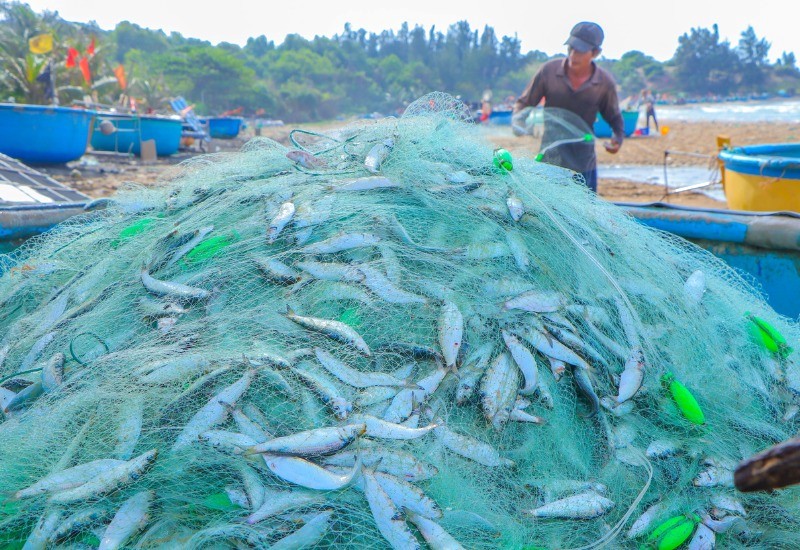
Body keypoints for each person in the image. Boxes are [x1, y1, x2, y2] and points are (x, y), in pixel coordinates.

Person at [513, 21, 624, 192]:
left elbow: (615, 118)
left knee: (585, 213)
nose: (573, 55)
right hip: (549, 161)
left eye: (580, 50)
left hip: (583, 164)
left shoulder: (603, 83)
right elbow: (525, 103)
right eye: (570, 48)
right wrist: (518, 121)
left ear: (595, 53)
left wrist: (617, 139)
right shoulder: (549, 71)